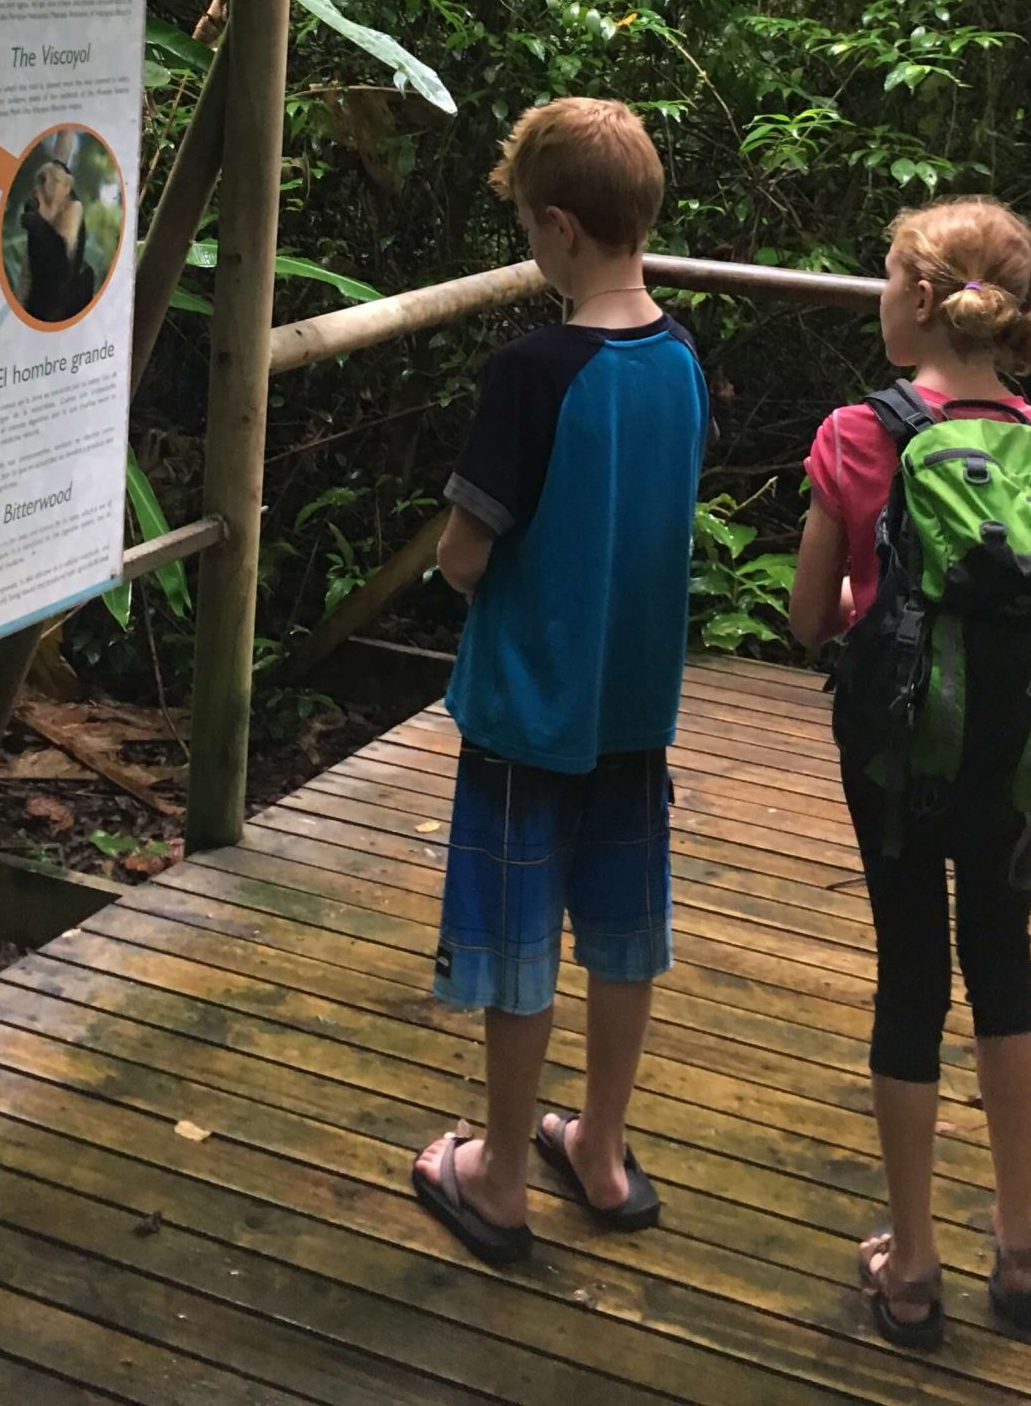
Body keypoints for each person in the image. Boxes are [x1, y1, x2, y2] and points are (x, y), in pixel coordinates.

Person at [789, 198, 1031, 1350]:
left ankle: (912, 1266)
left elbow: (810, 620)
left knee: (911, 975)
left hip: (899, 763)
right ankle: (1023, 1245)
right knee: (1003, 966)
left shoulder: (856, 435)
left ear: (921, 300)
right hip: (1017, 765)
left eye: (884, 277)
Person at [412, 98, 708, 1266]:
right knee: (625, 933)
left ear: (561, 226)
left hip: (529, 708)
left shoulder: (533, 371)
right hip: (634, 709)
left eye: (531, 228)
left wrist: (467, 576)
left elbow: (465, 551)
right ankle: (598, 1141)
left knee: (520, 935)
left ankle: (493, 1173)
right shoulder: (681, 358)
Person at [21, 134, 95, 321]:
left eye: (50, 181)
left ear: (66, 186)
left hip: (58, 300)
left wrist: (38, 228)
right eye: (41, 180)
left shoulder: (72, 208)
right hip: (41, 295)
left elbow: (59, 265)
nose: (42, 187)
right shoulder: (45, 204)